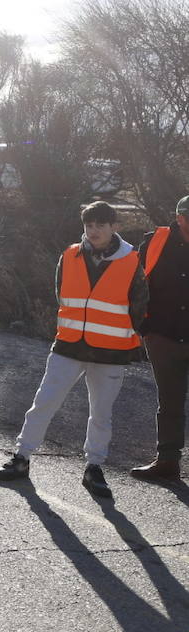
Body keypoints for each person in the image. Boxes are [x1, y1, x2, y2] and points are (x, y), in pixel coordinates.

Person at [0, 201, 149, 499]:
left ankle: (94, 468)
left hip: (111, 352)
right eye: (89, 226)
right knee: (44, 403)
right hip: (68, 345)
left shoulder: (132, 261)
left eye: (100, 225)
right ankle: (22, 457)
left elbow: (140, 307)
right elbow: (61, 294)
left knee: (101, 414)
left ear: (114, 227)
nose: (93, 231)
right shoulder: (69, 255)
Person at [130, 194, 189, 482]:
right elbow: (135, 281)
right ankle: (167, 462)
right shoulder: (155, 241)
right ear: (179, 218)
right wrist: (143, 325)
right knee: (169, 402)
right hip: (162, 336)